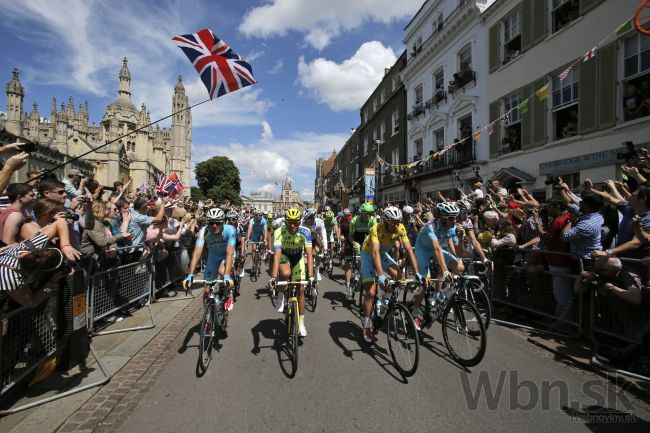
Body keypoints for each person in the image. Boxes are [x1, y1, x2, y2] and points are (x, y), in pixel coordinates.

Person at [359, 206, 423, 342]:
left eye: (398, 221)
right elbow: (375, 252)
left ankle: (385, 300)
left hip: (382, 254)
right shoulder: (377, 228)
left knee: (398, 275)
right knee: (371, 291)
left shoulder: (400, 228)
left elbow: (409, 250)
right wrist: (381, 275)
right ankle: (366, 323)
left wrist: (417, 273)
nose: (396, 225)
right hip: (368, 254)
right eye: (393, 222)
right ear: (386, 221)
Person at [0, 218, 80, 308]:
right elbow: (31, 303)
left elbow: (60, 221)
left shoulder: (29, 247)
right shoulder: (10, 277)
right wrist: (52, 281)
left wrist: (65, 245)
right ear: (42, 271)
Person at [267, 208, 315, 337]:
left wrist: (311, 277)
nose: (292, 225)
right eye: (289, 222)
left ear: (300, 222)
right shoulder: (279, 231)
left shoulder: (305, 232)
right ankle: (281, 294)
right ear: (285, 222)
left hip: (298, 257)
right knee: (286, 273)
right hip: (284, 256)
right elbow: (276, 255)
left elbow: (309, 256)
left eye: (295, 222)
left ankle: (301, 323)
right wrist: (273, 277)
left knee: (300, 290)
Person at [184, 208, 236, 313]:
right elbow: (197, 254)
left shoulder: (230, 230)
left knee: (222, 271)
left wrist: (226, 276)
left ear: (223, 222)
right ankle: (208, 318)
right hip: (213, 258)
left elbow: (230, 254)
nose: (214, 226)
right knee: (206, 289)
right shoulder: (204, 231)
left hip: (226, 256)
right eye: (211, 223)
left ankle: (228, 292)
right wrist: (190, 275)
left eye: (217, 223)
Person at [345, 203, 377, 300]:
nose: (368, 216)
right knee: (349, 263)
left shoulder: (373, 220)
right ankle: (348, 287)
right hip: (353, 240)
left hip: (366, 241)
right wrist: (354, 243)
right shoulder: (354, 220)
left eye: (370, 214)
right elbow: (350, 236)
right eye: (366, 214)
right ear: (361, 213)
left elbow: (375, 237)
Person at [302, 208, 327, 281]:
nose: (308, 221)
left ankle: (317, 271)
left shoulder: (320, 222)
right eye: (307, 219)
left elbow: (324, 236)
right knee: (305, 259)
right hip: (305, 240)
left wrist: (325, 249)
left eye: (310, 219)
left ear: (313, 218)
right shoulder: (302, 223)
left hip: (315, 239)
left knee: (318, 251)